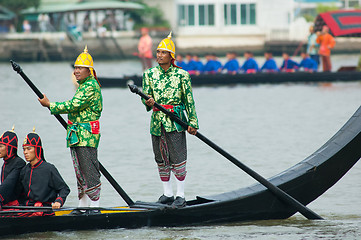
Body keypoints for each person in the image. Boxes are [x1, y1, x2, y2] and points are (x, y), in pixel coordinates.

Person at [38, 46, 103, 215]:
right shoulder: (82, 86)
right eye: (75, 68)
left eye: (80, 68)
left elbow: (73, 105)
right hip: (76, 136)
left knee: (90, 171)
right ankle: (83, 206)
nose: (76, 71)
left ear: (89, 70)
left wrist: (50, 105)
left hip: (87, 136)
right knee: (80, 172)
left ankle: (95, 208)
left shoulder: (91, 86)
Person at [142, 32, 199, 208]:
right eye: (157, 52)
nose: (159, 55)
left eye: (163, 52)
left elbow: (189, 100)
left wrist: (193, 123)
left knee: (178, 157)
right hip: (157, 121)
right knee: (160, 157)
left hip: (175, 120)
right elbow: (145, 97)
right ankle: (167, 193)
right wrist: (148, 102)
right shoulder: (149, 74)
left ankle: (180, 194)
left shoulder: (182, 75)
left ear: (171, 56)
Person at [19, 131, 70, 216]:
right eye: (24, 149)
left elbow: (64, 189)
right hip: (27, 209)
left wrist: (58, 201)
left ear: (37, 149)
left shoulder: (49, 168)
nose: (25, 152)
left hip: (45, 210)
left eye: (29, 149)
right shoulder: (24, 170)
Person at [0, 128, 26, 209]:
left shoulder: (19, 163)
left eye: (0, 146)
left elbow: (8, 185)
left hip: (19, 205)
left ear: (9, 147)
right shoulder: (5, 164)